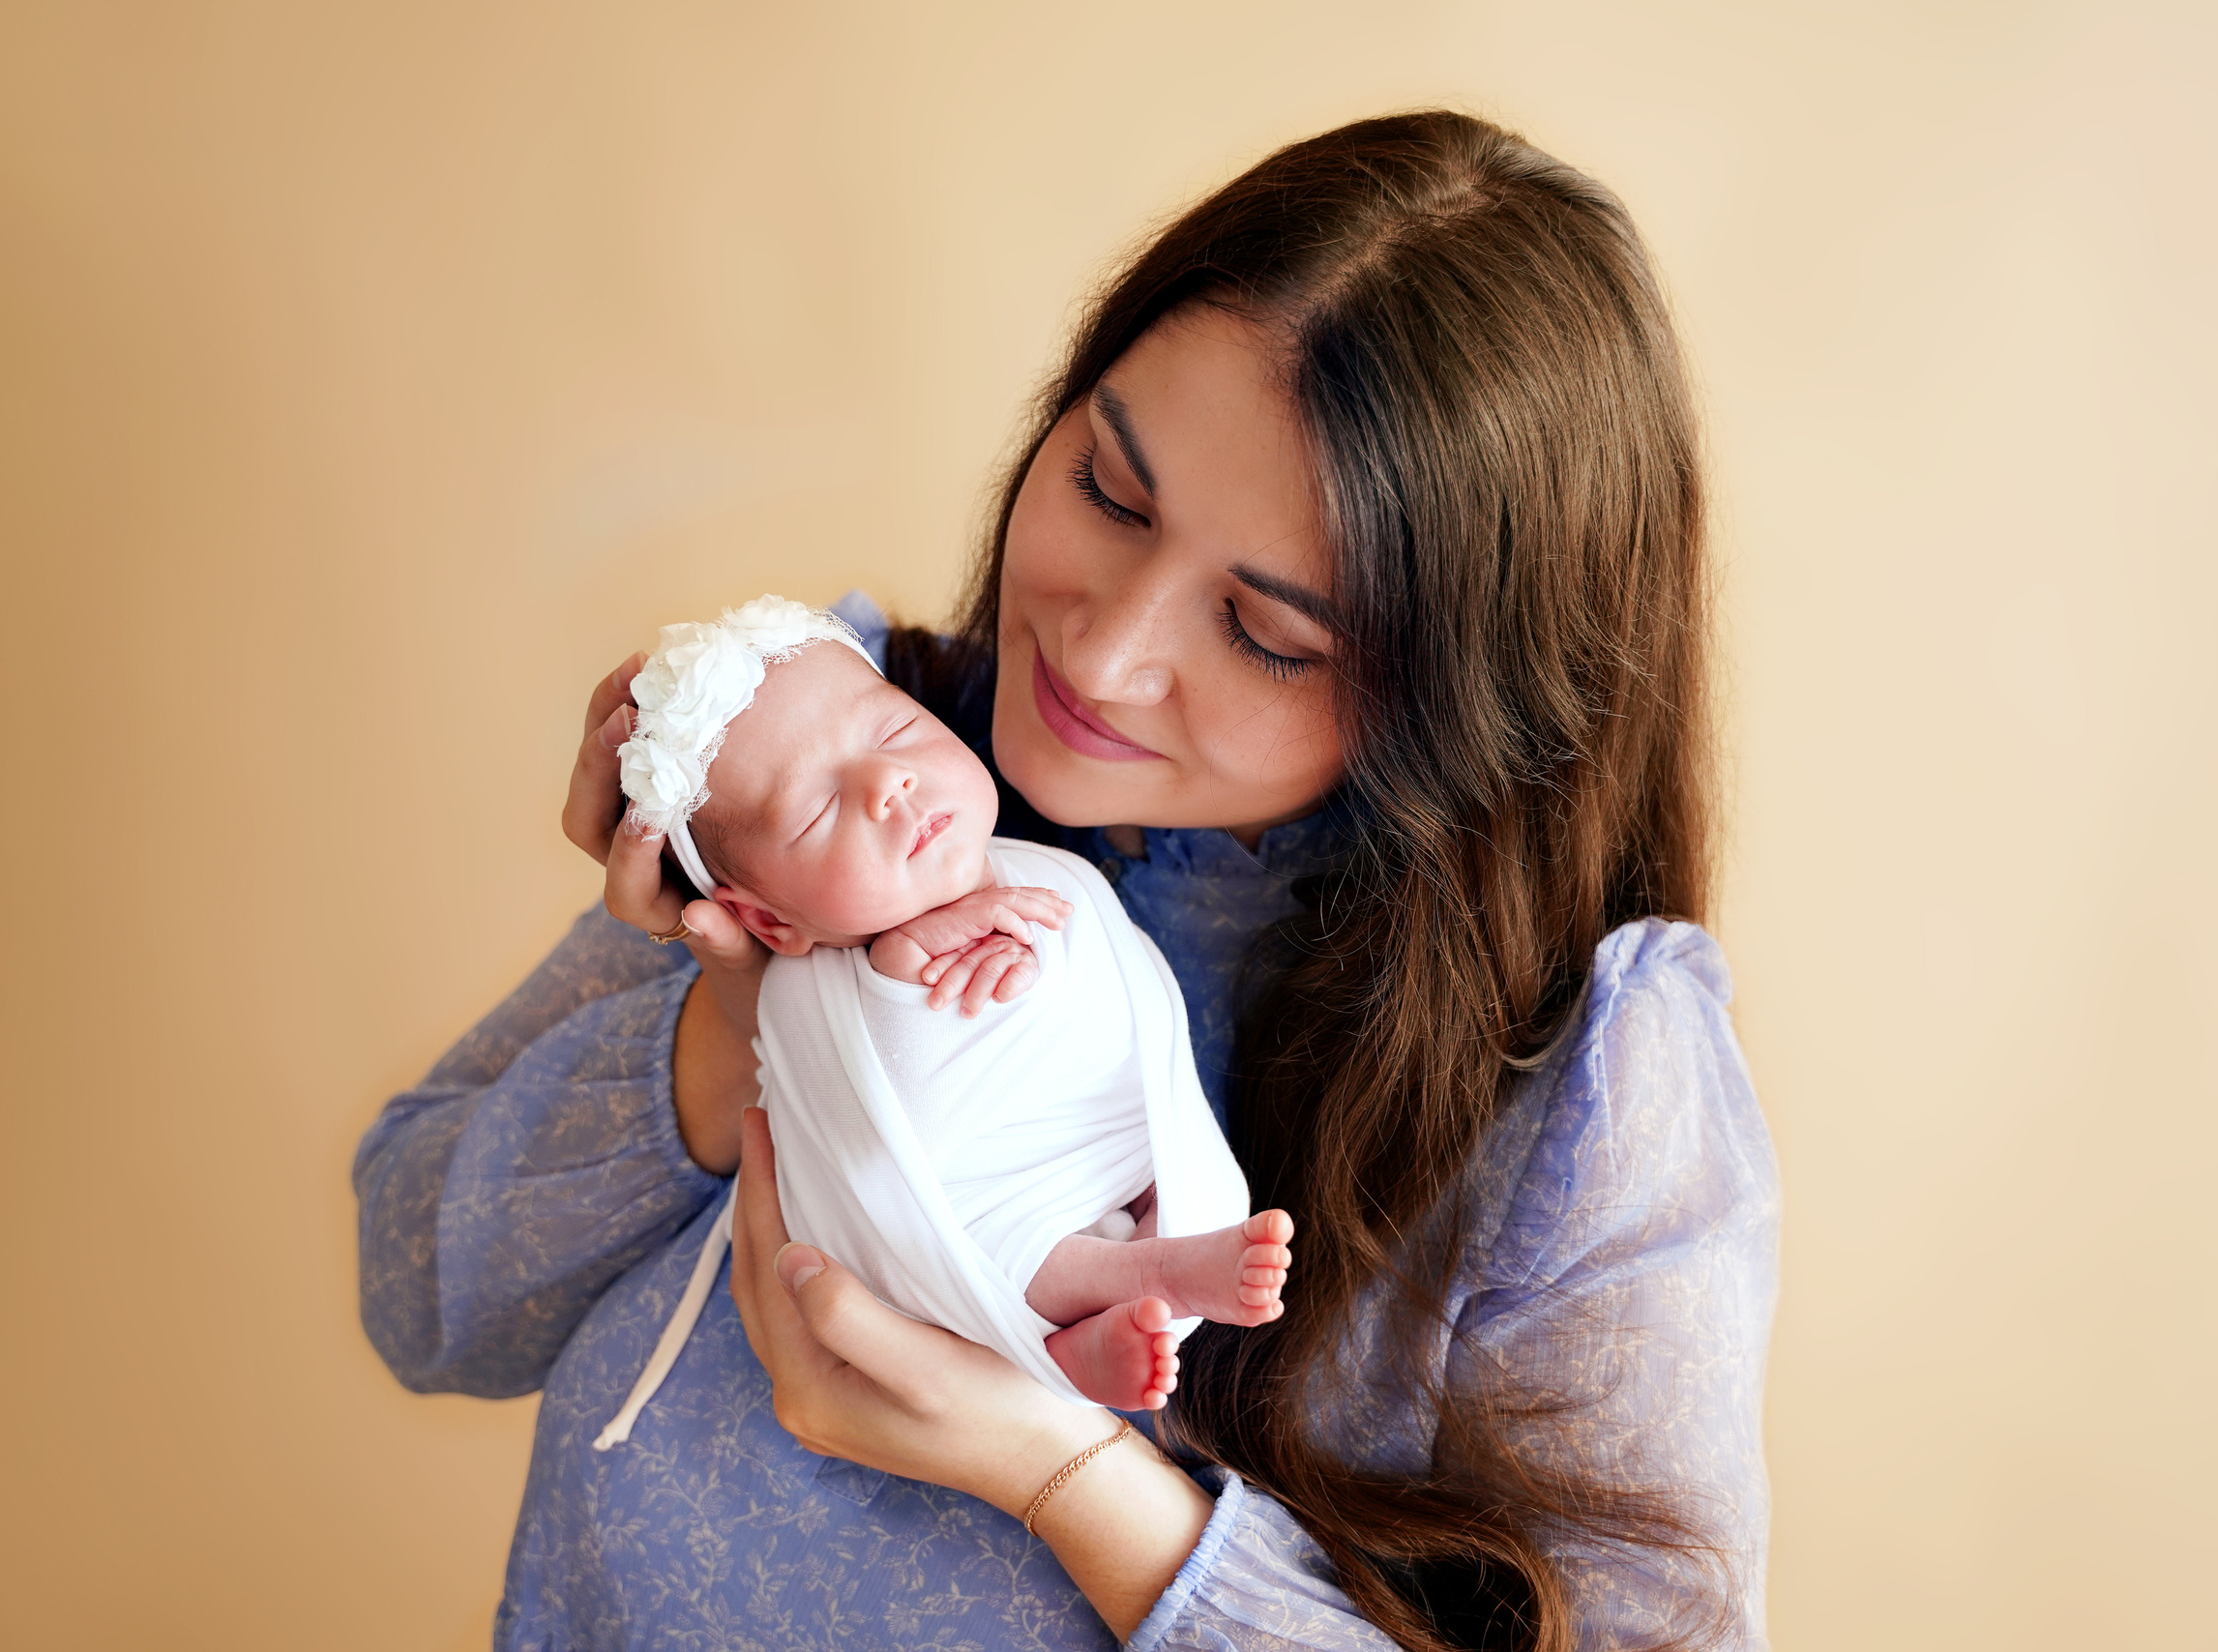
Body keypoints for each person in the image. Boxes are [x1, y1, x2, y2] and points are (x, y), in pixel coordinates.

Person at [356, 109, 1780, 1651]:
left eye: (1269, 634)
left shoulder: (1582, 1094)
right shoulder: (841, 756)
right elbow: (420, 1290)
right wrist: (740, 1000)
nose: (1100, 656)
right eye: (1109, 490)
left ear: (1459, 706)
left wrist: (1069, 1481)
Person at [588, 596, 1290, 1423]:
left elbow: (1120, 1002)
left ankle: (1109, 1313)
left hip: (1099, 1147)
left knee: (1160, 1179)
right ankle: (1140, 1286)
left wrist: (1038, 961)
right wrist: (905, 965)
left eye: (895, 732)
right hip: (983, 1217)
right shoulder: (810, 992)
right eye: (816, 809)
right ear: (771, 921)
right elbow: (886, 1106)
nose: (889, 783)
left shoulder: (1039, 869)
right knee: (1014, 1253)